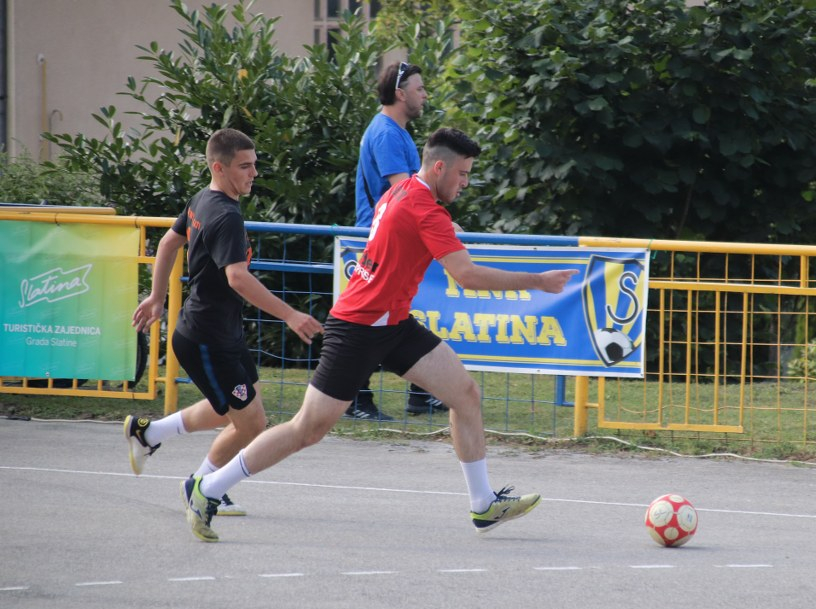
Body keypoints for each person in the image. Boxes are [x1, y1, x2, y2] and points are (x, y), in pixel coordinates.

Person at [181, 127, 576, 542]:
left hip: (393, 323)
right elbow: (467, 276)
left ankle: (483, 504)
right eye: (462, 174)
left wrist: (445, 229)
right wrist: (537, 280)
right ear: (439, 168)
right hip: (358, 328)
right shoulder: (426, 210)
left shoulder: (404, 190)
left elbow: (411, 231)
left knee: (465, 394)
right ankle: (210, 487)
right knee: (306, 430)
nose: (465, 182)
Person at [125, 128, 323, 516]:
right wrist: (290, 314)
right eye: (244, 166)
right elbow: (237, 278)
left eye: (254, 165)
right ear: (219, 167)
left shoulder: (203, 198)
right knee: (251, 424)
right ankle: (202, 486)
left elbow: (168, 242)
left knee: (236, 411)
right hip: (207, 339)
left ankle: (151, 435)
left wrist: (158, 297)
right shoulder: (226, 215)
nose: (254, 174)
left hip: (220, 332)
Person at [350, 61, 447, 419]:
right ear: (400, 93)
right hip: (381, 239)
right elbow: (405, 194)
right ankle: (357, 398)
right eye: (420, 89)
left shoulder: (393, 130)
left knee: (398, 315)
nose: (425, 95)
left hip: (387, 237)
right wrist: (442, 224)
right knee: (374, 320)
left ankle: (419, 394)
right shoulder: (387, 134)